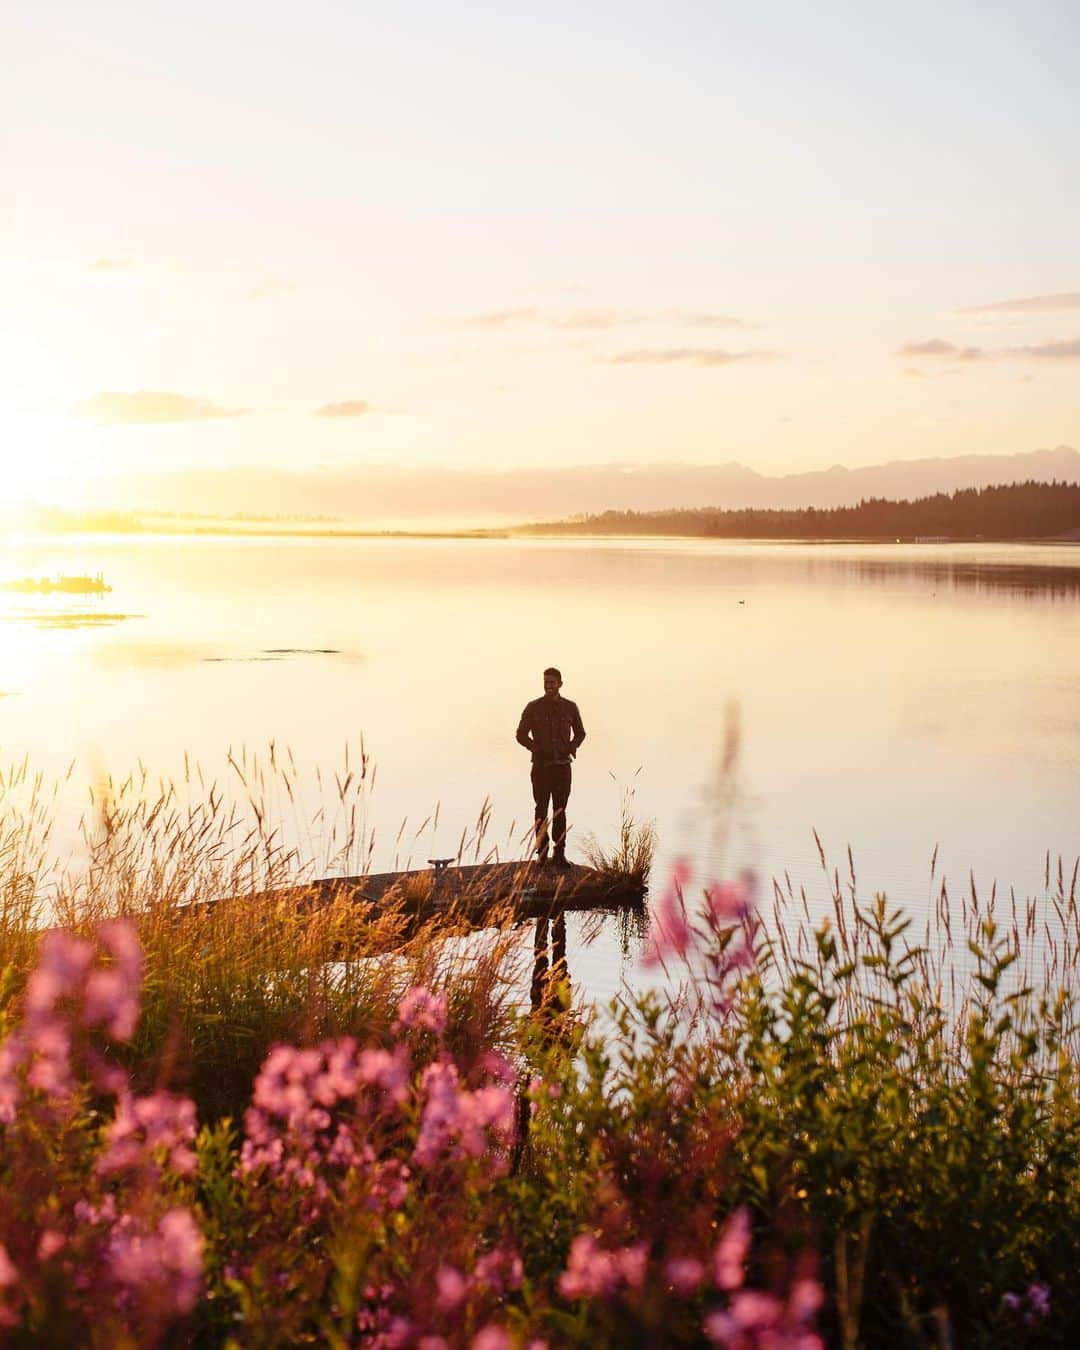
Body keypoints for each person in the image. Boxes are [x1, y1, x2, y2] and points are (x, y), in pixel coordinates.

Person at [516, 667, 586, 867]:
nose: (548, 686)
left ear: (560, 684)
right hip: (541, 767)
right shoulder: (533, 707)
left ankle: (559, 853)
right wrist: (535, 748)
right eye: (546, 683)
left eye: (552, 683)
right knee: (541, 810)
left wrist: (572, 747)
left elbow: (581, 732)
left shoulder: (570, 707)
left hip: (563, 767)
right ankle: (541, 852)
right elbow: (520, 734)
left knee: (560, 810)